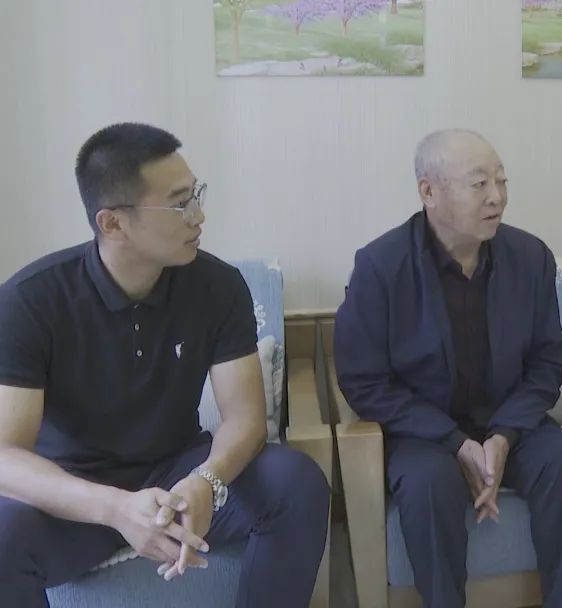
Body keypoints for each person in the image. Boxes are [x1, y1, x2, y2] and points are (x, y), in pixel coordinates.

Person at [0, 123, 330, 608]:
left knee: (295, 483)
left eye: (195, 194)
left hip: (177, 472)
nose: (199, 215)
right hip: (77, 491)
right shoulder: (30, 301)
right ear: (113, 223)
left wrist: (207, 482)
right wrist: (115, 508)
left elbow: (246, 419)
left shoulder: (218, 286)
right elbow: (6, 455)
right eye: (180, 204)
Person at [334, 129, 562, 608]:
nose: (497, 196)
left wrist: (503, 437)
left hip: (510, 421)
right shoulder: (381, 266)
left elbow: (548, 359)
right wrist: (455, 442)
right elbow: (362, 381)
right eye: (479, 184)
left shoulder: (530, 257)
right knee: (428, 483)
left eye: (501, 181)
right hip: (423, 432)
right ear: (428, 192)